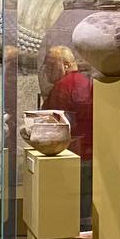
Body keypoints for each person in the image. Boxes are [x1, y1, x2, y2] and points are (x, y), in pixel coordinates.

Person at [42, 45, 93, 228]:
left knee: (71, 211)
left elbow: (53, 126)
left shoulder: (62, 87)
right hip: (90, 152)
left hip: (71, 154)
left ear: (64, 65)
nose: (47, 70)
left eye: (50, 65)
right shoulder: (85, 82)